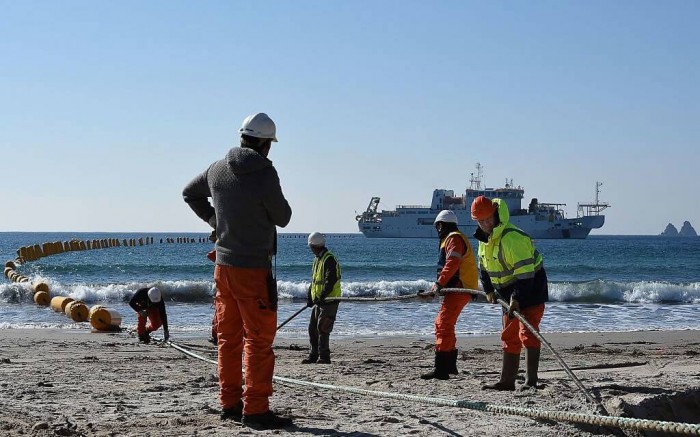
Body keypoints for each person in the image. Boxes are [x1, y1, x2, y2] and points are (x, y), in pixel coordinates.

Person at [182, 112, 292, 429]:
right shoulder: (264, 172)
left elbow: (189, 192)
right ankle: (256, 410)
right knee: (258, 341)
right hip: (253, 269)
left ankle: (229, 403)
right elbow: (283, 217)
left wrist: (216, 221)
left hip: (223, 266)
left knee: (228, 339)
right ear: (265, 144)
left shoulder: (217, 168)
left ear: (241, 136)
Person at [471, 195, 549, 391]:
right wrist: (488, 289)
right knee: (509, 334)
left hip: (531, 287)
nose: (486, 224)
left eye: (488, 219)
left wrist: (517, 299)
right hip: (507, 292)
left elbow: (525, 275)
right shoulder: (484, 240)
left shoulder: (512, 237)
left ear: (495, 214)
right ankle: (507, 381)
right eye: (481, 221)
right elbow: (483, 267)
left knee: (528, 332)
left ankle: (531, 381)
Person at [420, 210, 479, 380]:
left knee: (442, 324)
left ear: (441, 225)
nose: (437, 229)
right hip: (458, 288)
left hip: (460, 288)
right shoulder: (454, 237)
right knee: (447, 325)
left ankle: (441, 369)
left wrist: (439, 284)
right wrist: (438, 288)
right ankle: (450, 366)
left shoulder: (453, 238)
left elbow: (452, 263)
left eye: (438, 226)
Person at [302, 232, 341, 365]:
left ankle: (324, 357)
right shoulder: (318, 259)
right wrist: (310, 297)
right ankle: (313, 355)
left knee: (323, 328)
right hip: (319, 301)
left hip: (329, 300)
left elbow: (330, 281)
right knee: (312, 328)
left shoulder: (329, 259)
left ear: (314, 246)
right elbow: (314, 282)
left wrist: (322, 296)